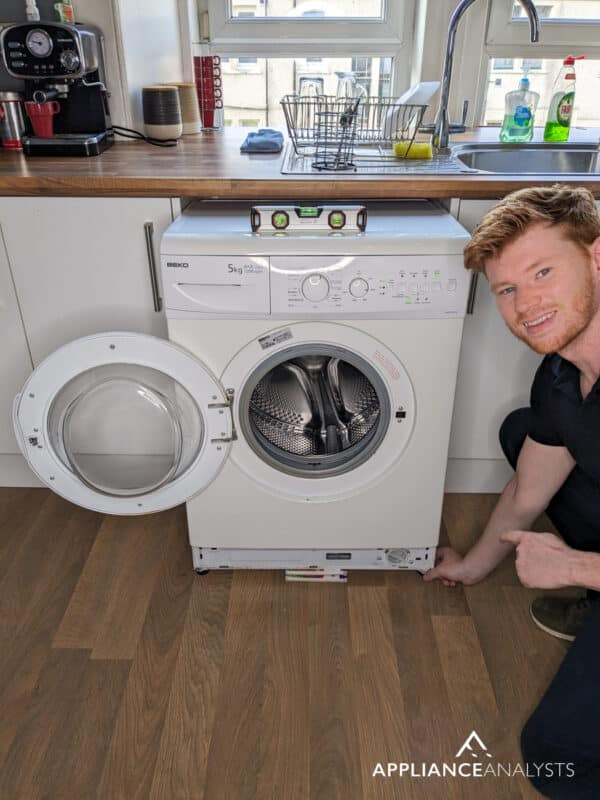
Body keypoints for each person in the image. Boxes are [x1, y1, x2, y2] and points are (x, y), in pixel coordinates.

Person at [423, 184, 600, 799]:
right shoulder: (561, 373)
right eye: (507, 289)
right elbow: (529, 491)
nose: (526, 305)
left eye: (543, 271)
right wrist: (471, 568)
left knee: (561, 759)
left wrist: (576, 565)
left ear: (597, 258)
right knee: (524, 433)